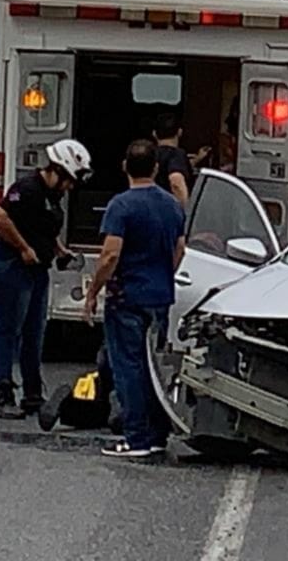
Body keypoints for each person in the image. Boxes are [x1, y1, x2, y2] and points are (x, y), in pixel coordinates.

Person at [85, 140, 187, 459]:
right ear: (156, 168)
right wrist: (162, 273)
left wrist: (92, 293)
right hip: (159, 297)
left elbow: (110, 255)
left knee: (128, 367)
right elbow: (180, 249)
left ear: (124, 166)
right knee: (154, 367)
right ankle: (158, 434)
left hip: (126, 297)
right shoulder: (172, 205)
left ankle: (136, 437)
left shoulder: (121, 206)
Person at [0, 139, 93, 419]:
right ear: (56, 169)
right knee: (8, 331)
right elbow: (0, 215)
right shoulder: (28, 188)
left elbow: (42, 225)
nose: (70, 187)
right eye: (68, 180)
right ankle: (4, 396)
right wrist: (23, 248)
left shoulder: (52, 196)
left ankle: (33, 394)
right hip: (10, 266)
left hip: (37, 269)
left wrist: (58, 249)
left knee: (35, 332)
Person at [153, 114, 203, 207]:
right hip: (169, 209)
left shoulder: (149, 154)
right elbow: (176, 180)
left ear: (154, 134)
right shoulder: (176, 154)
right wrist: (186, 210)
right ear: (180, 132)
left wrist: (196, 159)